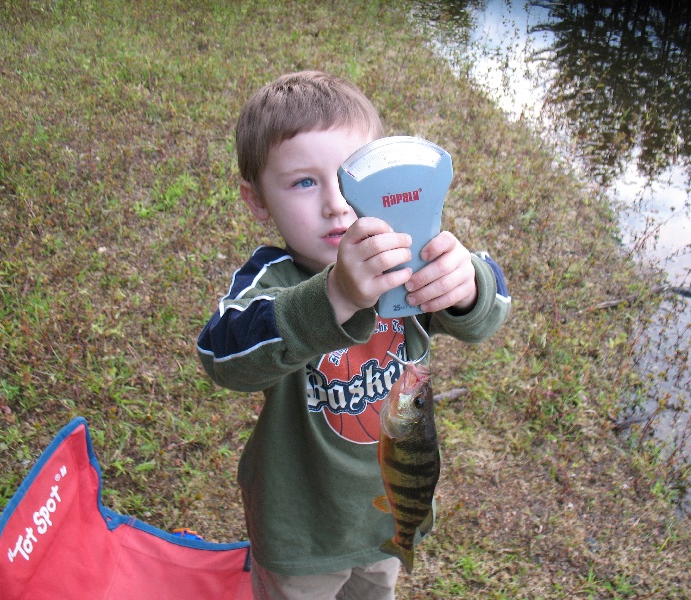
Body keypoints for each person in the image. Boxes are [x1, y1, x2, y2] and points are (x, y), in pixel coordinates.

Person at [197, 71, 510, 600]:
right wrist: (334, 296)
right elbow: (222, 353)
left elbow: (489, 307)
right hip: (300, 530)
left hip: (387, 513)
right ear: (257, 201)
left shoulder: (407, 258)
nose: (336, 205)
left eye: (351, 178)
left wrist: (466, 286)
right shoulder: (272, 281)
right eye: (303, 182)